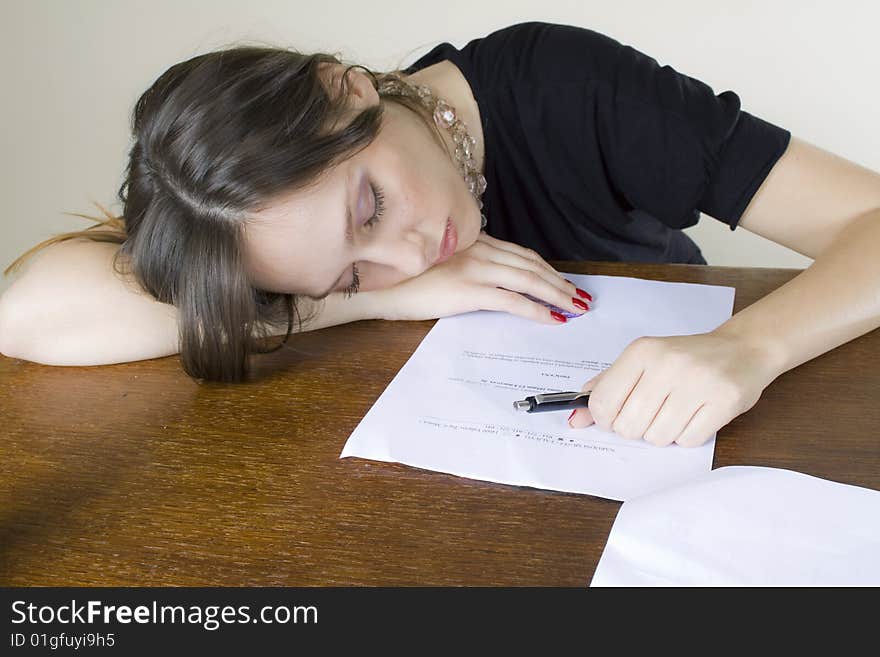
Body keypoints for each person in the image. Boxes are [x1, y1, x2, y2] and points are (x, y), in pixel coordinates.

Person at [1, 21, 878, 449]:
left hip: (689, 431)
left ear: (346, 89)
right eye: (349, 275)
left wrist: (746, 347)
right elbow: (27, 311)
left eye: (370, 209)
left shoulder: (569, 86)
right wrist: (363, 309)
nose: (412, 258)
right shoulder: (259, 236)